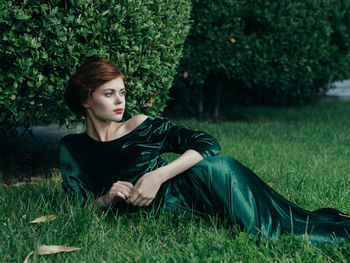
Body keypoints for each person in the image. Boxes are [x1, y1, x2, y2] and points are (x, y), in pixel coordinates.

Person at [60, 58, 350, 244]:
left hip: (200, 185)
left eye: (121, 92)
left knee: (270, 231)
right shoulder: (72, 148)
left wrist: (157, 176)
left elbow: (207, 143)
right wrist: (107, 198)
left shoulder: (142, 125)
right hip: (176, 210)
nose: (119, 101)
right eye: (108, 94)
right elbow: (76, 207)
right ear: (87, 100)